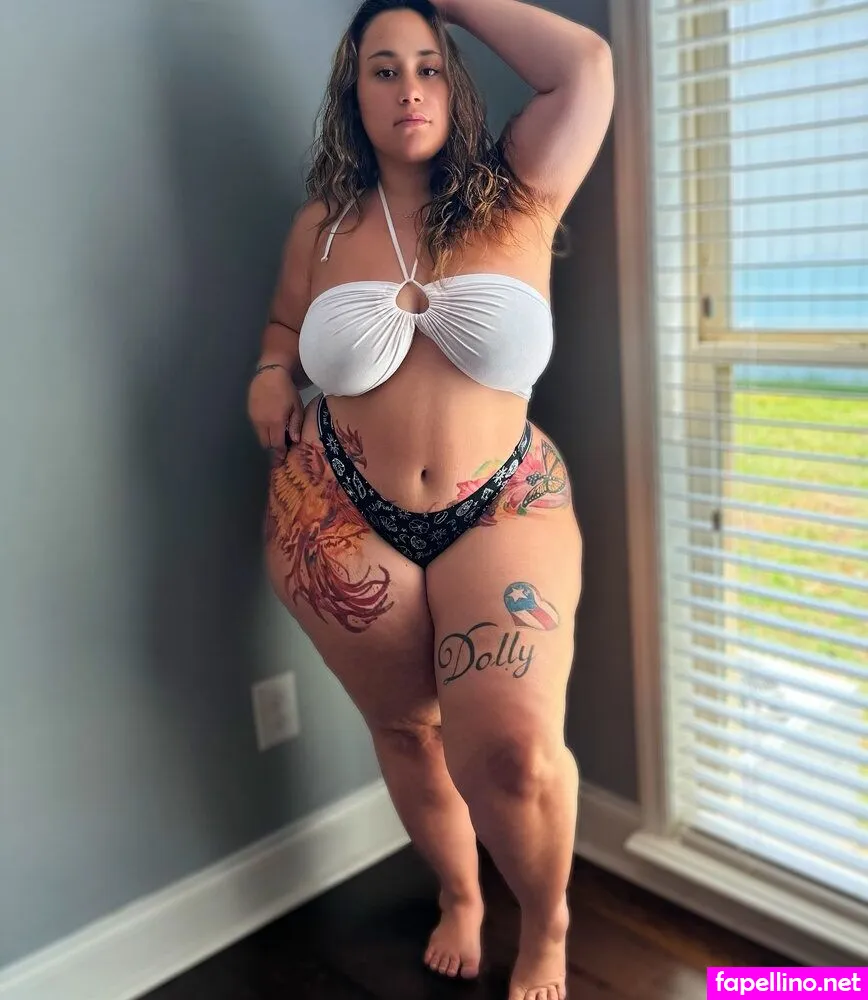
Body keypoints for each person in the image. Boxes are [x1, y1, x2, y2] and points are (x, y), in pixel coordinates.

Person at [247, 1, 613, 997]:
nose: (408, 87)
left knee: (517, 756)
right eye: (382, 69)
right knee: (408, 731)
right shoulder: (322, 228)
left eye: (427, 66)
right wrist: (272, 374)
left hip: (500, 504)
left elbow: (584, 63)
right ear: (353, 94)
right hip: (340, 507)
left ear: (453, 83)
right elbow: (283, 327)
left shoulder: (520, 193)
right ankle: (460, 892)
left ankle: (547, 922)